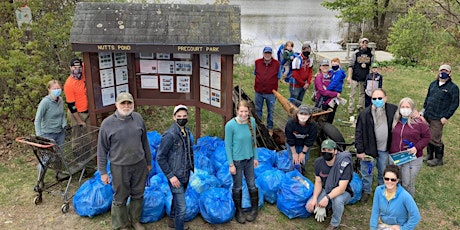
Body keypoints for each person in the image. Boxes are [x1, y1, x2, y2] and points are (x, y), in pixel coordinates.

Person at [97, 92, 152, 230]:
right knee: (120, 196)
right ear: (116, 105)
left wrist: (149, 162)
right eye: (123, 103)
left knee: (138, 193)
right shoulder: (107, 124)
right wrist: (103, 171)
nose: (126, 106)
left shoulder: (138, 118)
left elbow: (145, 142)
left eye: (129, 103)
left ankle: (135, 220)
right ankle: (121, 225)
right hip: (119, 166)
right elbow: (102, 150)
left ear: (133, 104)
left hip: (139, 164)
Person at [355, 88, 397, 203]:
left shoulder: (393, 110)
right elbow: (358, 133)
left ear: (385, 98)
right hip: (369, 151)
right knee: (367, 172)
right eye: (374, 99)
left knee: (383, 171)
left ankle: (382, 191)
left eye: (380, 98)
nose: (377, 100)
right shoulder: (364, 114)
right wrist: (360, 150)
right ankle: (366, 191)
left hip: (384, 149)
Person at [157, 105, 194, 230]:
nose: (182, 119)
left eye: (184, 116)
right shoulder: (170, 135)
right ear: (174, 117)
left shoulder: (187, 132)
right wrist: (170, 176)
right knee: (182, 207)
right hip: (175, 176)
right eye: (179, 117)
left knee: (176, 200)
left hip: (185, 174)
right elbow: (160, 157)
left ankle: (172, 222)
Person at [305, 139, 353, 230]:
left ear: (335, 151)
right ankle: (329, 207)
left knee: (337, 200)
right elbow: (318, 182)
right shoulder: (318, 162)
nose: (326, 152)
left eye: (329, 150)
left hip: (343, 192)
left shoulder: (344, 164)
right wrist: (315, 199)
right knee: (309, 207)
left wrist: (326, 198)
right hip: (327, 188)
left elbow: (342, 188)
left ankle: (334, 224)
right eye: (324, 150)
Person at [225, 100, 259, 224]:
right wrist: (231, 164)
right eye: (241, 111)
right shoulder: (230, 125)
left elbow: (254, 141)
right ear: (237, 111)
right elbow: (228, 146)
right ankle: (239, 211)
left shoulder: (252, 122)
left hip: (249, 159)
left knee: (251, 184)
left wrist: (255, 157)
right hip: (237, 161)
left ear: (249, 111)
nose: (244, 114)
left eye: (246, 111)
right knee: (237, 186)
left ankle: (254, 209)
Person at [390, 97, 431, 197]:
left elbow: (427, 137)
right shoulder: (395, 120)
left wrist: (416, 147)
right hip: (396, 156)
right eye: (402, 107)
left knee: (407, 183)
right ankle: (396, 200)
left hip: (412, 158)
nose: (404, 109)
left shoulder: (419, 122)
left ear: (412, 108)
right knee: (395, 181)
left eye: (407, 107)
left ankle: (408, 202)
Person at [421, 64, 459, 167]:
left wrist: (446, 117)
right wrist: (423, 110)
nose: (443, 72)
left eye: (446, 71)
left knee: (435, 137)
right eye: (441, 70)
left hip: (438, 117)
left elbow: (455, 104)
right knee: (427, 135)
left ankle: (438, 159)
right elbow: (427, 97)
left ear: (450, 73)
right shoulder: (433, 84)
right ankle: (430, 155)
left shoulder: (453, 88)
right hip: (428, 114)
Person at [34, 79, 67, 187]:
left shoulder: (60, 100)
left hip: (60, 132)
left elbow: (62, 115)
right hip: (47, 134)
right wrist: (39, 136)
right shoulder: (45, 102)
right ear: (49, 90)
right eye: (54, 89)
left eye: (58, 88)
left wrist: (64, 124)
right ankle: (40, 181)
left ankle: (58, 174)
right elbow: (37, 119)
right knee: (46, 158)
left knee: (59, 155)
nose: (57, 90)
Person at [370, 165, 421, 230]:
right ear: (383, 178)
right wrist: (373, 228)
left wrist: (403, 228)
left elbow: (416, 216)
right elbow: (375, 211)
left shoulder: (405, 196)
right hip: (382, 225)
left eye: (393, 180)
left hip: (396, 227)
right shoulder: (378, 190)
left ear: (397, 180)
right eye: (386, 179)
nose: (389, 182)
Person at [254, 46, 280, 135]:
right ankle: (258, 127)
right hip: (259, 91)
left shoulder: (277, 64)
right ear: (263, 54)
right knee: (258, 110)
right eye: (266, 53)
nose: (267, 55)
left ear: (271, 54)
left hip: (271, 93)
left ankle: (270, 128)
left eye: (269, 53)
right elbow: (255, 73)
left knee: (271, 111)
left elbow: (279, 76)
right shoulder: (257, 62)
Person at [284, 104, 318, 174]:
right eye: (301, 113)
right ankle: (292, 173)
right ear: (297, 114)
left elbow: (310, 140)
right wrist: (294, 153)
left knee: (303, 160)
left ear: (309, 115)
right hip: (293, 143)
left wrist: (303, 153)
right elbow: (290, 138)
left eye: (306, 114)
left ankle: (301, 172)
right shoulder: (290, 123)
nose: (303, 116)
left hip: (304, 144)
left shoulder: (313, 125)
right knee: (294, 160)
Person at [347, 38, 374, 115]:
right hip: (355, 77)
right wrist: (349, 76)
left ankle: (360, 107)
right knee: (352, 93)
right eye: (363, 43)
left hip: (365, 77)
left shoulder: (370, 54)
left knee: (362, 93)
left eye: (366, 43)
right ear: (360, 44)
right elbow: (350, 65)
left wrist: (372, 76)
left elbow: (372, 66)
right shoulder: (356, 53)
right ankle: (350, 108)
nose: (364, 44)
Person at [64, 58, 89, 129]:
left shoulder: (83, 74)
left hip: (88, 111)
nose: (77, 70)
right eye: (75, 68)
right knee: (77, 135)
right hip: (76, 113)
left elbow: (88, 61)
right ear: (70, 68)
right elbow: (71, 106)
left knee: (90, 135)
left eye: (79, 67)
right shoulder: (69, 84)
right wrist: (79, 121)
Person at [314, 59, 341, 124]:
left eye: (326, 65)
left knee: (330, 118)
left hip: (332, 101)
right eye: (323, 65)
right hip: (323, 101)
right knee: (322, 119)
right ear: (320, 67)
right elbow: (322, 91)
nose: (325, 67)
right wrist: (335, 94)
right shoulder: (319, 77)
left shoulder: (331, 74)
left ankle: (329, 132)